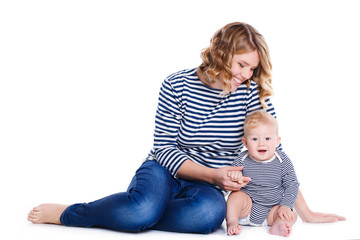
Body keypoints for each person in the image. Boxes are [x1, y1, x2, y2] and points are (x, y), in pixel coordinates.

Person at [27, 22, 345, 234]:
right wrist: (213, 174)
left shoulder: (252, 94)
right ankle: (73, 213)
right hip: (163, 169)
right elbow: (164, 146)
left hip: (206, 187)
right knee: (142, 211)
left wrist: (305, 211)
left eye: (252, 68)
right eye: (241, 64)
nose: (247, 75)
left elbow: (274, 155)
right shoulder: (177, 84)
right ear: (221, 54)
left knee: (207, 217)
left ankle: (138, 210)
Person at [226, 110, 299, 237]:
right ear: (245, 143)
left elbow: (292, 185)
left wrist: (286, 206)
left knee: (291, 214)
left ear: (277, 141)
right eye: (254, 139)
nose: (261, 143)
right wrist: (235, 176)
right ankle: (232, 221)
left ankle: (278, 225)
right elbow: (231, 177)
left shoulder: (282, 160)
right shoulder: (242, 159)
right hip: (247, 209)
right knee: (235, 196)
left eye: (267, 138)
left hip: (272, 211)